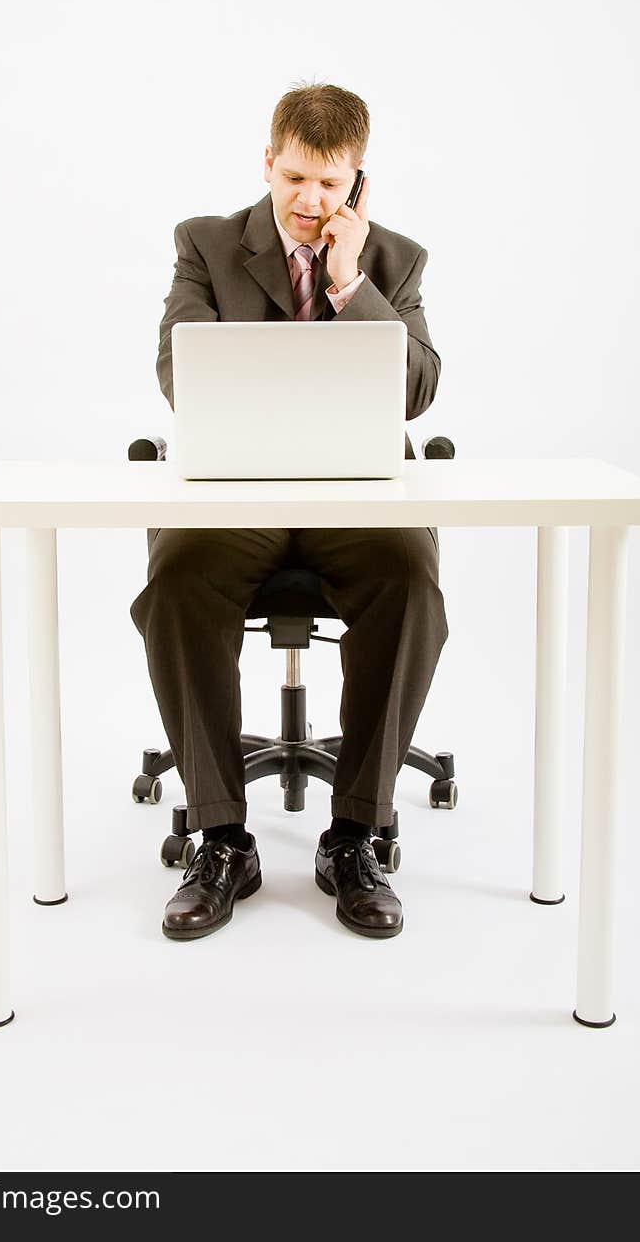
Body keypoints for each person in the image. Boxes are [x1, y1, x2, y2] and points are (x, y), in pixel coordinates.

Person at [130, 81, 448, 942]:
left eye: (331, 183)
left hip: (354, 496)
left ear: (358, 182)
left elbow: (416, 393)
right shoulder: (205, 245)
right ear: (268, 163)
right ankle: (222, 837)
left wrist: (349, 283)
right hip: (237, 492)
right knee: (178, 577)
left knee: (414, 577)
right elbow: (177, 373)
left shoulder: (393, 260)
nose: (311, 202)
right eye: (296, 178)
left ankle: (355, 835)